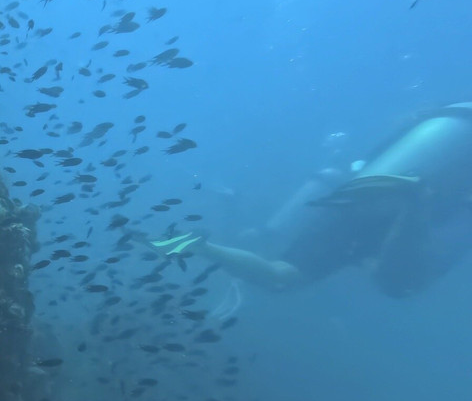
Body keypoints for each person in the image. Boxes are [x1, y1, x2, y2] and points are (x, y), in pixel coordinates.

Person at [151, 103, 472, 298]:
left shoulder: (442, 120)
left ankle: (207, 241)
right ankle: (200, 245)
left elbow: (378, 155)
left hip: (360, 196)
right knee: (283, 277)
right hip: (390, 214)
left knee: (279, 269)